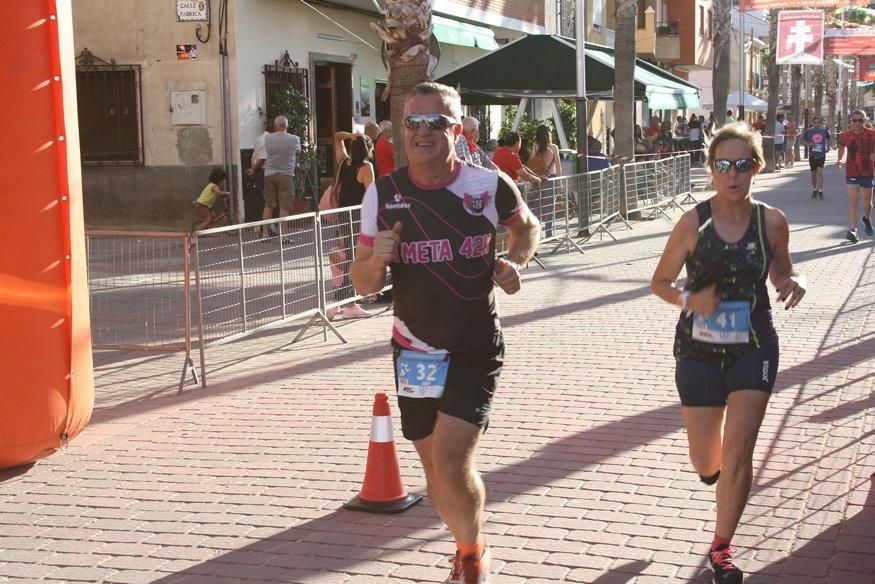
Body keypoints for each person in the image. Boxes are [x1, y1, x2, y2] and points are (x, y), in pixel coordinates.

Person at [350, 81, 540, 584]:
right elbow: (362, 282)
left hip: (474, 342)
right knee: (434, 470)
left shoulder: (488, 184)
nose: (423, 132)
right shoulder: (383, 194)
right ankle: (464, 544)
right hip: (414, 348)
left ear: (456, 128)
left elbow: (526, 228)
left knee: (453, 463)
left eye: (436, 122)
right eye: (413, 122)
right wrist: (377, 259)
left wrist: (515, 261)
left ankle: (474, 556)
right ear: (402, 131)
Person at [650, 122, 806, 584]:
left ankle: (721, 547)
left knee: (739, 450)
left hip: (753, 344)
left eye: (741, 164)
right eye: (723, 165)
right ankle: (711, 473)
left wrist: (792, 282)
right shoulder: (692, 222)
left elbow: (781, 272)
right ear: (712, 170)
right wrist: (688, 299)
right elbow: (659, 283)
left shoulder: (772, 221)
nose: (732, 174)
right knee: (708, 459)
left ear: (756, 167)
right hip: (697, 350)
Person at [326, 131, 376, 320]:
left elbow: (337, 137)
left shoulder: (343, 163)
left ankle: (344, 302)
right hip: (358, 219)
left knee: (350, 259)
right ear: (368, 150)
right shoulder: (366, 168)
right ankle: (344, 303)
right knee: (354, 260)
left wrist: (351, 135)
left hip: (343, 217)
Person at [836, 109, 875, 243]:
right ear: (851, 121)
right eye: (854, 120)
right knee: (853, 201)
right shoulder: (846, 135)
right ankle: (853, 230)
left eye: (860, 120)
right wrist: (839, 160)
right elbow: (841, 148)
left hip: (868, 172)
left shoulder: (872, 134)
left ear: (865, 120)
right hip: (852, 172)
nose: (857, 123)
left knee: (867, 202)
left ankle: (866, 218)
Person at [262, 115, 302, 238]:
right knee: (284, 206)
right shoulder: (294, 139)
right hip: (286, 174)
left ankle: (264, 234)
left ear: (275, 126)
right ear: (287, 126)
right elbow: (299, 152)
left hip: (269, 174)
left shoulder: (267, 138)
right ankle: (283, 236)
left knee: (269, 204)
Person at [245, 118, 273, 210]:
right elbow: (262, 159)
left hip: (260, 172)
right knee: (267, 200)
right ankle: (268, 223)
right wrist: (254, 170)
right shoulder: (267, 140)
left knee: (263, 199)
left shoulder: (259, 139)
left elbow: (254, 156)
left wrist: (253, 169)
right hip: (264, 173)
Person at [801, 116, 830, 200]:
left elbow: (830, 139)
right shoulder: (809, 132)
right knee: (813, 173)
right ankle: (814, 190)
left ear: (821, 123)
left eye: (818, 123)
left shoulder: (824, 131)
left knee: (819, 172)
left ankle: (820, 191)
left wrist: (828, 147)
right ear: (812, 123)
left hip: (821, 155)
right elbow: (802, 140)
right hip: (812, 155)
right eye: (815, 123)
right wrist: (808, 144)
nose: (816, 124)